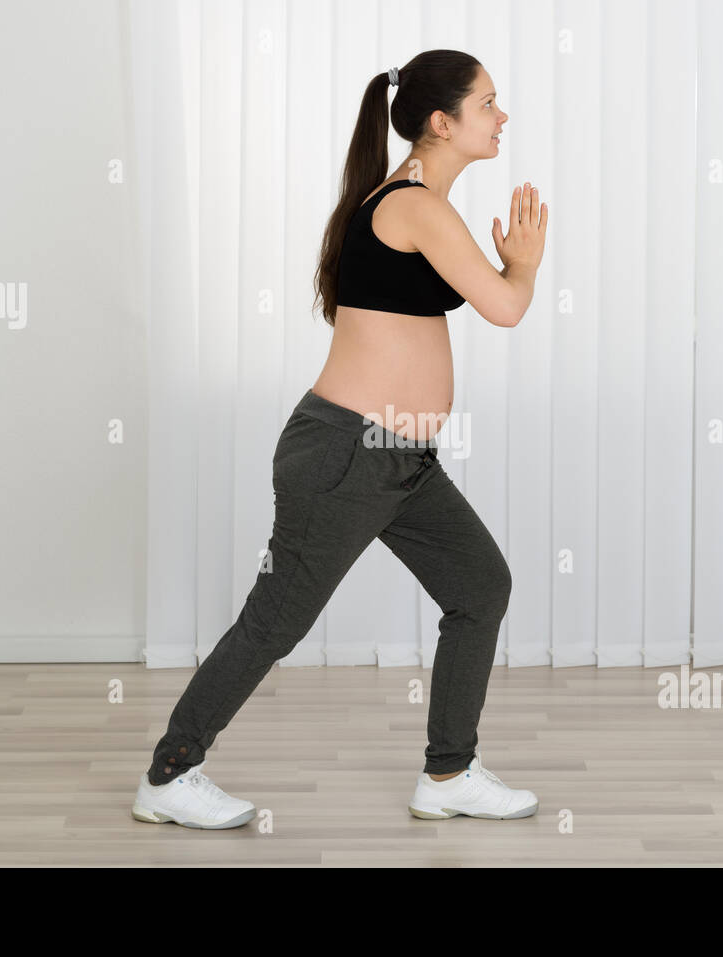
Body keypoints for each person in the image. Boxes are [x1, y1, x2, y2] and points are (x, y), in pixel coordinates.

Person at [131, 49, 548, 829]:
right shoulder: (416, 204)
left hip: (400, 462)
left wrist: (507, 266)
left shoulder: (414, 205)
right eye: (489, 103)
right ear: (441, 121)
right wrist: (522, 264)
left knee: (480, 586)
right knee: (276, 621)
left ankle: (450, 772)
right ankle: (169, 773)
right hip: (348, 454)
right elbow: (505, 307)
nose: (501, 117)